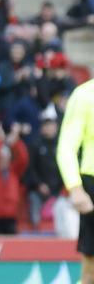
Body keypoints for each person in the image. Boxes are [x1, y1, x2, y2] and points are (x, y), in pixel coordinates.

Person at [58, 78, 94, 280]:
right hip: (92, 181)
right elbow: (66, 147)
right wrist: (75, 188)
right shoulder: (85, 95)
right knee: (91, 270)